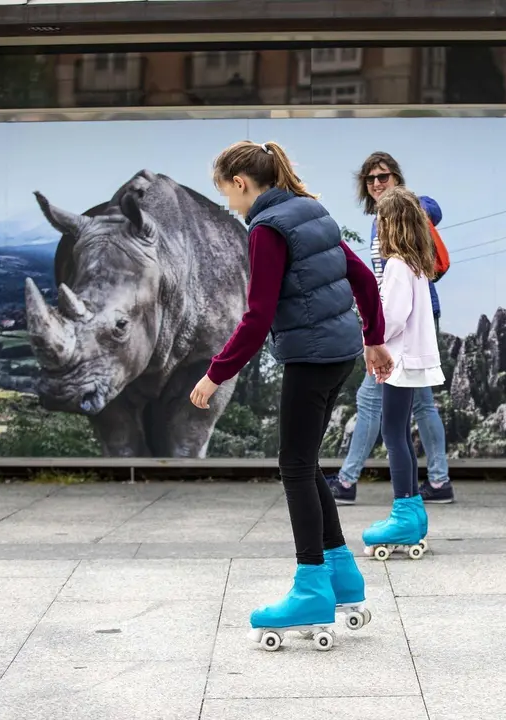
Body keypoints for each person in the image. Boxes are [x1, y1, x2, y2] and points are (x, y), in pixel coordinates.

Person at [189, 140, 393, 650]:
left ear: (241, 182)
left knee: (294, 466)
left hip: (310, 356)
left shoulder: (266, 229)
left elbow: (257, 317)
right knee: (304, 462)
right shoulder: (311, 211)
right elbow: (364, 279)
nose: (229, 206)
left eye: (226, 194)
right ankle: (342, 577)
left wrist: (215, 374)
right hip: (340, 353)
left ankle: (309, 589)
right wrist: (373, 339)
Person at [327, 151, 455, 506]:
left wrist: (374, 334)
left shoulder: (403, 213)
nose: (377, 183)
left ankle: (349, 480)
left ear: (397, 179)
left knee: (370, 401)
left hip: (401, 327)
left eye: (384, 177)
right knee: (421, 405)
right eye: (371, 179)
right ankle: (439, 481)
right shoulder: (380, 221)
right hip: (407, 323)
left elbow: (432, 207)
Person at [360, 185, 444, 559]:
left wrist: (368, 327)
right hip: (412, 359)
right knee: (398, 432)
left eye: (381, 221)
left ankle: (404, 512)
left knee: (392, 432)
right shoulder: (415, 264)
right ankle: (412, 512)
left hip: (399, 360)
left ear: (391, 224)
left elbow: (391, 318)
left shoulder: (396, 266)